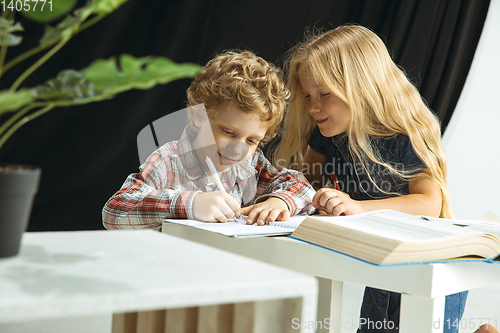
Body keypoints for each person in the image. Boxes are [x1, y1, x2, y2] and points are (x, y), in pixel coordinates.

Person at [273, 24, 468, 333]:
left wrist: (357, 208)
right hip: (386, 261)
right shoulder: (328, 136)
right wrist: (285, 199)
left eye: (324, 94)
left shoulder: (404, 135)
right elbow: (305, 184)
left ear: (362, 86)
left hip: (429, 264)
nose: (312, 106)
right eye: (308, 95)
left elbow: (430, 203)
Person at [102, 51, 315, 230]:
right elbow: (114, 212)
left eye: (251, 140)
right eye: (228, 132)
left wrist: (280, 201)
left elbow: (301, 186)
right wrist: (188, 204)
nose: (237, 149)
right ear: (197, 117)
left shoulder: (251, 165)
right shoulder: (167, 161)